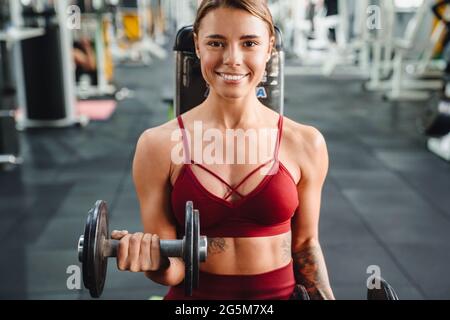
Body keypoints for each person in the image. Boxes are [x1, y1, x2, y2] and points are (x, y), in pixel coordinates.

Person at [111, 0, 335, 300]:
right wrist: (154, 260)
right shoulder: (157, 145)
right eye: (216, 42)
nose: (232, 59)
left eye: (249, 43)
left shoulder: (305, 143)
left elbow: (305, 245)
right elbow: (175, 270)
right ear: (197, 46)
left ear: (269, 48)